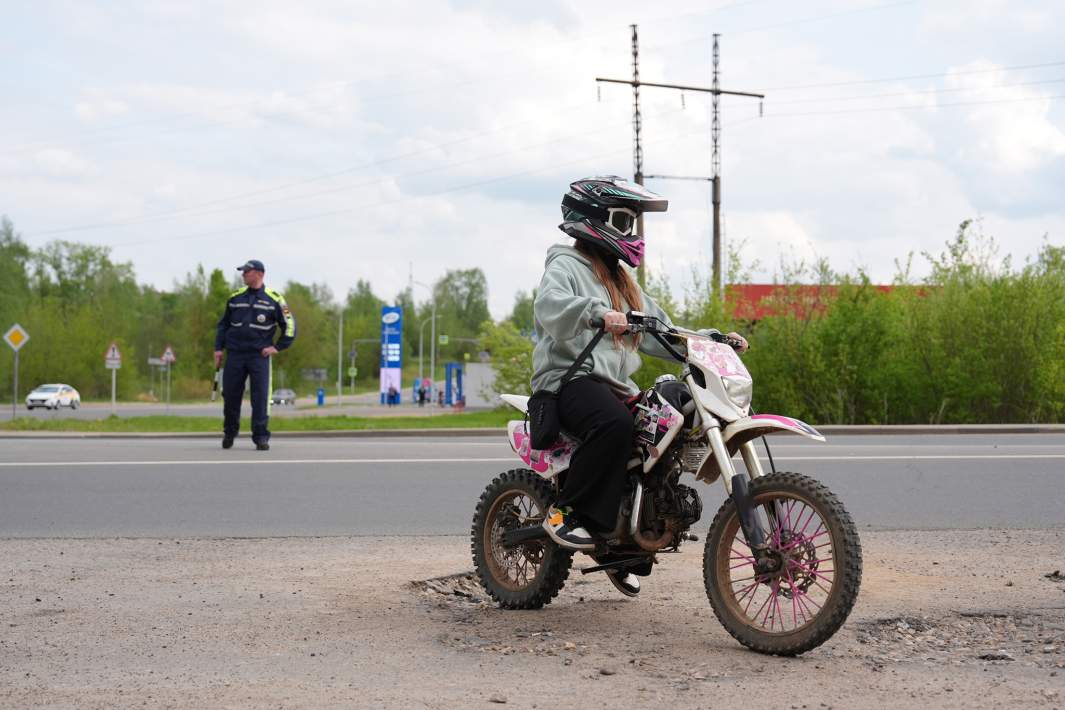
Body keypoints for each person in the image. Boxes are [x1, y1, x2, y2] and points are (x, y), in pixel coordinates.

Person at [533, 176, 748, 597]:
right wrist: (595, 312)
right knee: (615, 425)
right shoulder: (565, 265)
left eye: (634, 224)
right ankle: (565, 513)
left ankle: (622, 544)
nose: (630, 232)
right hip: (569, 380)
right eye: (622, 220)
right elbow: (550, 307)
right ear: (594, 220)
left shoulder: (624, 282)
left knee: (663, 432)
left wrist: (710, 338)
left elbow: (662, 331)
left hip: (612, 384)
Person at [214, 259, 296, 451]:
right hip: (234, 354)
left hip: (259, 356)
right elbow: (223, 325)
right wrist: (218, 348)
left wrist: (278, 347)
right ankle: (229, 433)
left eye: (246, 272)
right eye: (243, 272)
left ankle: (261, 437)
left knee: (260, 398)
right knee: (231, 396)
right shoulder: (235, 297)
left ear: (259, 274)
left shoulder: (275, 299)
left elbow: (290, 325)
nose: (243, 275)